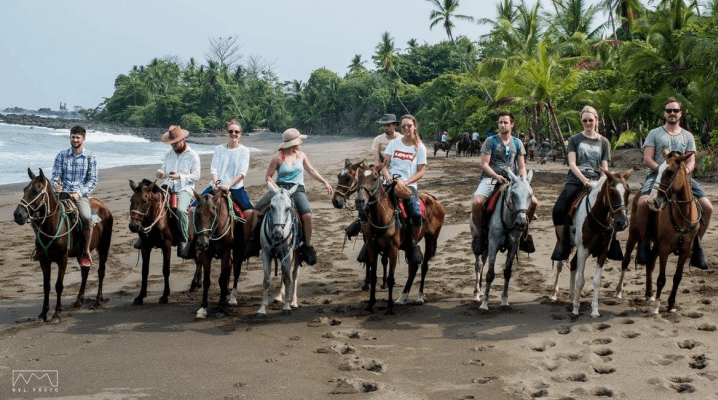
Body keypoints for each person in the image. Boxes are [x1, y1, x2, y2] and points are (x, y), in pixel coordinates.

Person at [634, 98, 712, 269]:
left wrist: (684, 174)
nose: (672, 113)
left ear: (680, 113)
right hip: (657, 177)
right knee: (641, 203)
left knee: (707, 207)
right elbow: (648, 158)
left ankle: (695, 245)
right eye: (669, 110)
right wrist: (662, 170)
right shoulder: (655, 133)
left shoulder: (688, 136)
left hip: (683, 179)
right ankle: (644, 244)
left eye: (675, 111)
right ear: (664, 113)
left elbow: (691, 161)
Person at [251, 128, 334, 265]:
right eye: (298, 141)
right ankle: (253, 241)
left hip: (297, 189)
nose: (300, 143)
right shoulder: (278, 157)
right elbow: (268, 177)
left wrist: (325, 182)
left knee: (307, 215)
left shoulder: (301, 155)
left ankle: (306, 245)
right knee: (256, 210)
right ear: (293, 143)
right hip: (279, 189)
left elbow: (311, 170)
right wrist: (277, 190)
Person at [470, 110, 538, 255]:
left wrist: (523, 181)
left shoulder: (517, 142)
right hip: (490, 179)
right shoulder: (491, 141)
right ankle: (480, 235)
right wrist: (496, 176)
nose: (502, 125)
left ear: (511, 124)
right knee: (477, 202)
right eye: (500, 122)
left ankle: (524, 233)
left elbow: (521, 166)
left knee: (534, 202)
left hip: (512, 181)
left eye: (505, 122)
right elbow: (484, 164)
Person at [550, 106, 611, 260]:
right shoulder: (574, 139)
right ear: (581, 122)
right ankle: (562, 243)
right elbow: (572, 163)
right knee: (558, 209)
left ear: (596, 120)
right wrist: (584, 180)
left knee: (614, 208)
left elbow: (604, 168)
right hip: (576, 180)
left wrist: (602, 182)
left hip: (596, 181)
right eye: (585, 120)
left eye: (591, 120)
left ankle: (611, 244)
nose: (588, 123)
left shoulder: (604, 142)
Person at [197, 121, 256, 240]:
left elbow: (242, 173)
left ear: (241, 133)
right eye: (231, 131)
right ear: (227, 133)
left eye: (236, 132)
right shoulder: (219, 149)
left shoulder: (244, 150)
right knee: (194, 208)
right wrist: (216, 183)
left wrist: (229, 185)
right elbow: (214, 169)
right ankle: (192, 242)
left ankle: (245, 242)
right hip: (216, 185)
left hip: (235, 187)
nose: (233, 134)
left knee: (250, 213)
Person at [382, 114, 427, 264]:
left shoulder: (420, 147)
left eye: (409, 125)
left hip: (408, 185)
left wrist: (406, 182)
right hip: (389, 182)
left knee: (415, 213)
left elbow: (421, 171)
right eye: (404, 126)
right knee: (368, 205)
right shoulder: (394, 144)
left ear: (415, 126)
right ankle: (368, 240)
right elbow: (385, 166)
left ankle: (413, 244)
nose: (406, 128)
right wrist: (388, 178)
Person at [51, 125, 97, 267]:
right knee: (42, 212)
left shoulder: (90, 156)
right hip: (62, 193)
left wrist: (79, 193)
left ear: (83, 139)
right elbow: (55, 176)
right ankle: (40, 247)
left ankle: (86, 251)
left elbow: (93, 180)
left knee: (87, 218)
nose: (75, 140)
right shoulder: (61, 155)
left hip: (80, 195)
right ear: (70, 137)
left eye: (78, 137)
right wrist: (56, 184)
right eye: (73, 137)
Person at [157, 125, 200, 258]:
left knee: (181, 210)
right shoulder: (168, 154)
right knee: (149, 201)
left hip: (185, 187)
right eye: (172, 143)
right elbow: (164, 171)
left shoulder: (193, 155)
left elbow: (196, 176)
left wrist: (180, 176)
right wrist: (161, 173)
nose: (174, 145)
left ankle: (183, 240)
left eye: (176, 142)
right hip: (168, 185)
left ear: (182, 140)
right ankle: (144, 236)